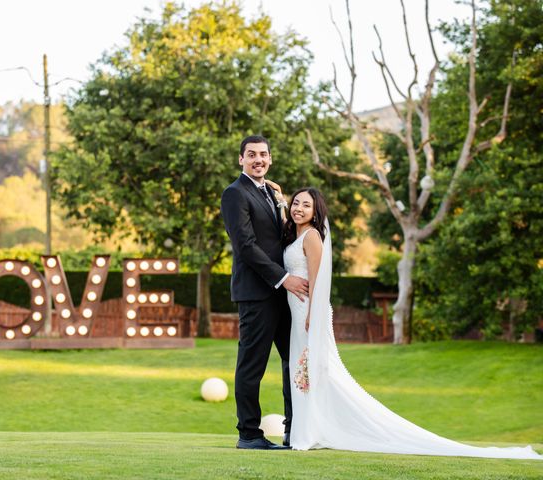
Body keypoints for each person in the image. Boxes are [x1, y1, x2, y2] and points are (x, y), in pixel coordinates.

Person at [271, 184, 542, 459]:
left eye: (306, 205)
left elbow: (318, 279)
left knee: (314, 373)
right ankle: (310, 430)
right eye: (296, 204)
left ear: (316, 210)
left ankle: (313, 432)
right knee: (304, 373)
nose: (298, 209)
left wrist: (313, 316)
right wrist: (280, 200)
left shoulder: (313, 237)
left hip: (308, 313)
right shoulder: (296, 234)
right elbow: (285, 224)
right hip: (298, 313)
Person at [220, 135, 308, 450]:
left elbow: (278, 238)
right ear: (241, 159)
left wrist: (283, 204)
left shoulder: (270, 193)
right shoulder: (234, 194)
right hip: (257, 293)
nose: (259, 159)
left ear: (270, 159)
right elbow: (246, 246)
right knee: (252, 365)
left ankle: (294, 429)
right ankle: (249, 434)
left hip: (282, 295)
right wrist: (284, 278)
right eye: (252, 154)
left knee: (293, 361)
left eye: (264, 154)